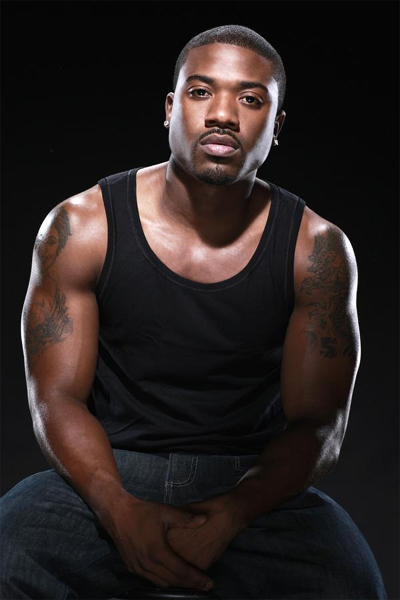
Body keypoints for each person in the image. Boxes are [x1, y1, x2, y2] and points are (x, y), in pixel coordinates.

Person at [0, 24, 387, 600]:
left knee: (348, 580)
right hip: (107, 470)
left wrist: (234, 512)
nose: (222, 114)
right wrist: (117, 508)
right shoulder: (82, 227)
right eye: (201, 92)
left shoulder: (317, 250)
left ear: (276, 126)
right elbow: (56, 398)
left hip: (251, 484)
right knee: (8, 549)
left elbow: (318, 425)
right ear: (170, 108)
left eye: (250, 99)